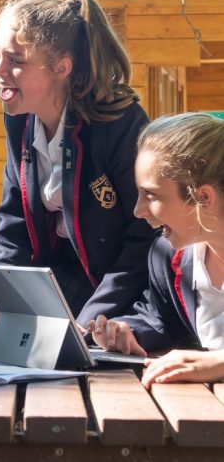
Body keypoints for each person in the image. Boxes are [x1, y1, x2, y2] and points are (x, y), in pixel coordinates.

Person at [0, 0, 155, 351]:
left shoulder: (119, 122)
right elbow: (11, 223)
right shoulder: (20, 123)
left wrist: (88, 322)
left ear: (62, 68)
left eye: (15, 60)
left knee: (54, 350)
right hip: (52, 278)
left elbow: (146, 235)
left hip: (111, 281)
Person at [88, 113, 224, 388]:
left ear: (203, 197)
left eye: (151, 195)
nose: (138, 211)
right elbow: (159, 319)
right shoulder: (169, 258)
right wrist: (126, 332)